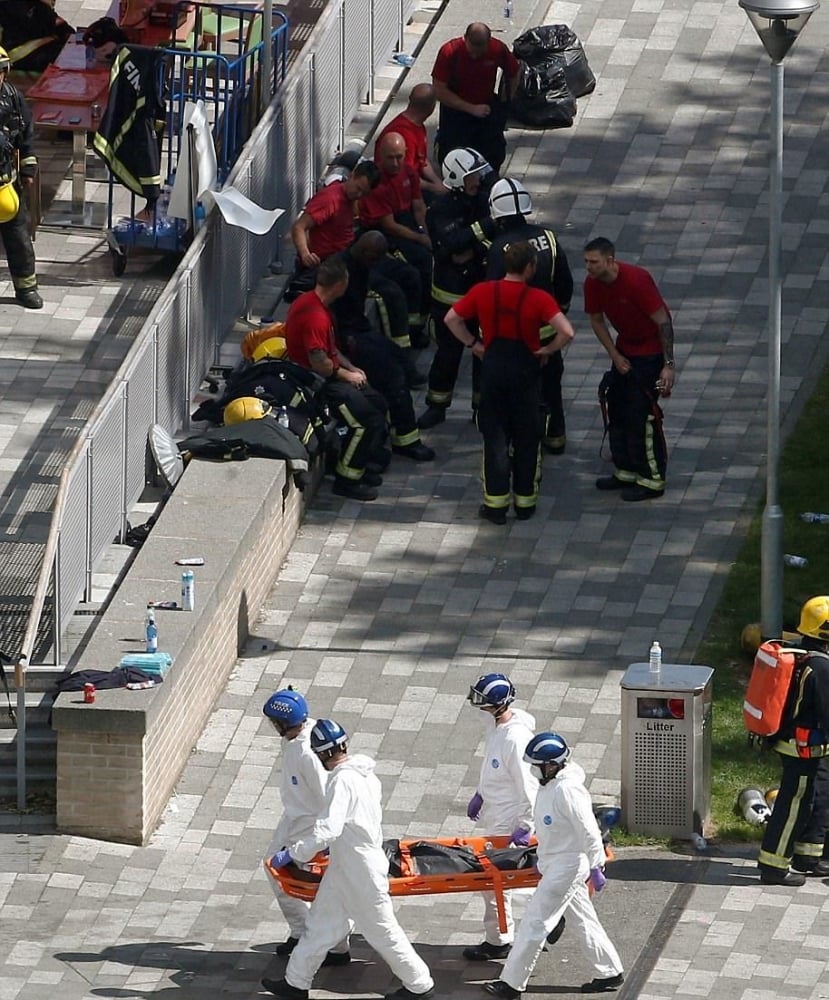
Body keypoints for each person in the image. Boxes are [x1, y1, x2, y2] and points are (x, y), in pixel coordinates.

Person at [263, 719, 436, 1000]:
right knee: (319, 925)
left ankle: (420, 985)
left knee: (382, 930)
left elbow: (328, 828)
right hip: (348, 866)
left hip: (359, 871)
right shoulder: (365, 775)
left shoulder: (342, 780)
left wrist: (294, 853)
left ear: (321, 754)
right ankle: (296, 983)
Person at [484, 733, 624, 998]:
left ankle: (512, 983)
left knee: (535, 923)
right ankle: (610, 971)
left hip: (567, 868)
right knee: (583, 919)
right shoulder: (550, 785)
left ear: (552, 765)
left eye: (536, 765)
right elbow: (552, 825)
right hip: (558, 863)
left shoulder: (568, 791)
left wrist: (597, 865)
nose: (532, 770)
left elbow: (589, 831)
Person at [444, 242, 574, 524]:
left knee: (495, 438)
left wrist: (473, 344)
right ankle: (525, 503)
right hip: (525, 370)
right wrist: (547, 350)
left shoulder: (482, 291)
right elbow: (567, 331)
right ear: (530, 267)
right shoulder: (539, 298)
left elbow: (451, 318)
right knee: (528, 436)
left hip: (493, 368)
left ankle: (495, 506)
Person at [284, 256, 389, 502]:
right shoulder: (316, 317)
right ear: (340, 285)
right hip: (317, 384)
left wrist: (352, 368)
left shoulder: (313, 304)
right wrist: (347, 376)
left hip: (327, 376)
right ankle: (347, 480)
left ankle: (363, 462)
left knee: (377, 402)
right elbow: (320, 363)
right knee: (365, 421)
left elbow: (330, 350)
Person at [262, 689, 350, 966]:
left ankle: (334, 946)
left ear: (283, 723)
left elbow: (329, 797)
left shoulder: (307, 754)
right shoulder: (300, 735)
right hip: (294, 820)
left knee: (317, 887)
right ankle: (305, 932)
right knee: (278, 872)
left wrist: (320, 841)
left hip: (308, 828)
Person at [486, 178, 574, 455]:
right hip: (549, 333)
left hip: (516, 341)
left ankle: (524, 440)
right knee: (552, 387)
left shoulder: (500, 248)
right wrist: (559, 313)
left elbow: (493, 295)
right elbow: (565, 282)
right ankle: (556, 437)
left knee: (522, 394)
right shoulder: (548, 237)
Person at [583, 237, 674, 502]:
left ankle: (652, 479)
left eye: (594, 262)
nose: (588, 267)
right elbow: (596, 320)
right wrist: (615, 354)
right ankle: (625, 469)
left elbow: (663, 322)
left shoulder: (636, 281)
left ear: (610, 260)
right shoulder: (593, 284)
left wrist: (668, 366)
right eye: (587, 262)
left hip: (650, 354)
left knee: (641, 414)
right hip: (625, 350)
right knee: (617, 407)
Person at [332, 232, 435, 462]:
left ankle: (399, 432)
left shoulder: (359, 264)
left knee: (402, 363)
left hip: (359, 330)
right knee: (393, 375)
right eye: (375, 257)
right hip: (348, 339)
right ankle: (406, 441)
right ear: (366, 252)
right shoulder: (341, 269)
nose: (376, 263)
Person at [418, 147, 495, 431]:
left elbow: (472, 245)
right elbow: (453, 246)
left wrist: (471, 244)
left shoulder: (483, 201)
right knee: (447, 356)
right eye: (472, 176)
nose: (478, 180)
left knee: (483, 354)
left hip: (480, 292)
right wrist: (481, 231)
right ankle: (436, 406)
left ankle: (480, 408)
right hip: (449, 297)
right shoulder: (440, 210)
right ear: (457, 179)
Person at [462, 673, 538, 961]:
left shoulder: (516, 740)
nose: (478, 709)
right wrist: (481, 793)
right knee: (496, 881)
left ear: (496, 705)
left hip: (509, 820)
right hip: (497, 813)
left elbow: (527, 787)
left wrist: (525, 826)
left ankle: (549, 913)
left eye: (483, 704)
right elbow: (493, 767)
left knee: (497, 879)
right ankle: (498, 937)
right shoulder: (496, 726)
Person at [758, 596, 829, 886]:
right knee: (793, 806)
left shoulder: (802, 654)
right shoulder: (822, 669)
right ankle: (773, 866)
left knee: (814, 797)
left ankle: (806, 856)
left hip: (797, 744)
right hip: (802, 749)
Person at [360, 132, 432, 334]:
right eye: (390, 157)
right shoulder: (376, 183)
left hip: (406, 221)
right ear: (380, 156)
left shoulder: (408, 172)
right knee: (414, 269)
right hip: (385, 232)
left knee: (427, 260)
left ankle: (422, 317)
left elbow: (418, 205)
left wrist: (426, 233)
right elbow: (389, 225)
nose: (395, 163)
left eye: (399, 157)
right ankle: (413, 327)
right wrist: (420, 238)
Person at [431, 23, 520, 175]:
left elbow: (514, 71)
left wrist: (505, 100)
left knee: (494, 151)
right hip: (455, 112)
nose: (475, 56)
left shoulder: (497, 49)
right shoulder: (449, 52)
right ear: (465, 39)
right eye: (472, 51)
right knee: (452, 153)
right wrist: (471, 108)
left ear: (488, 42)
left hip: (486, 108)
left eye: (480, 52)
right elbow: (439, 90)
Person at [0, 46, 41, 309]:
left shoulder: (13, 98)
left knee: (19, 242)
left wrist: (27, 170)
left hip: (6, 185)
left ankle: (26, 289)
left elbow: (26, 137)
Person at [290, 159, 381, 275]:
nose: (359, 195)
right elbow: (299, 227)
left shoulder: (351, 200)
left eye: (363, 193)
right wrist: (305, 254)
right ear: (352, 175)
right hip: (326, 263)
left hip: (343, 255)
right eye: (358, 188)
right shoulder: (331, 199)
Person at [376, 84, 447, 198]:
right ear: (431, 107)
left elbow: (422, 161)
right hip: (396, 191)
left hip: (413, 183)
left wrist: (437, 182)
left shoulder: (418, 127)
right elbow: (403, 176)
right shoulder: (402, 135)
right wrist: (433, 188)